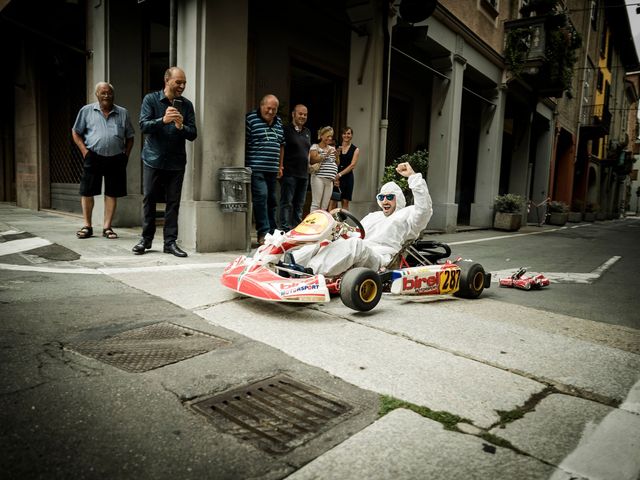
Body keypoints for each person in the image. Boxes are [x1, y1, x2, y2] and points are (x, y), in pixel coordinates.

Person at [295, 162, 432, 277]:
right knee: (325, 239)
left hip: (379, 258)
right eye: (381, 197)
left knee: (356, 245)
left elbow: (424, 210)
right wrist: (340, 230)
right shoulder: (373, 216)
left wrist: (413, 177)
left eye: (390, 197)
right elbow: (358, 233)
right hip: (360, 249)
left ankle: (309, 272)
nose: (385, 200)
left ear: (398, 198)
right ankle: (291, 264)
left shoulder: (407, 214)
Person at [132, 66, 197, 257]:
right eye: (178, 82)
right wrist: (163, 120)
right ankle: (146, 239)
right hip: (153, 159)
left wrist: (180, 125)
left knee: (173, 203)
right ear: (167, 80)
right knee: (149, 199)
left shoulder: (186, 105)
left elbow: (193, 134)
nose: (182, 86)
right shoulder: (151, 99)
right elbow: (144, 126)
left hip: (176, 162)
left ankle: (170, 243)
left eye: (184, 82)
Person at [72, 82, 135, 240]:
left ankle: (107, 227)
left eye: (109, 93)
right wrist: (85, 152)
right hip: (93, 156)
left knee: (112, 193)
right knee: (87, 192)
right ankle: (87, 226)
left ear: (113, 95)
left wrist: (125, 156)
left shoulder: (123, 113)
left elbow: (130, 137)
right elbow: (75, 132)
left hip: (116, 158)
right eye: (103, 93)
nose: (106, 95)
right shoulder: (86, 111)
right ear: (97, 95)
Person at [246, 94, 285, 245]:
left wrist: (280, 165)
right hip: (256, 168)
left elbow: (281, 144)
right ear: (261, 106)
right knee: (261, 198)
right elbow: (244, 142)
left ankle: (272, 232)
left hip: (272, 169)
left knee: (272, 201)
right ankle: (263, 233)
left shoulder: (279, 122)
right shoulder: (251, 119)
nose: (271, 112)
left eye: (274, 109)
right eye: (268, 108)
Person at [279, 104, 311, 231]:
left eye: (305, 114)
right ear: (293, 114)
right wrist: (280, 167)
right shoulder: (285, 129)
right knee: (286, 203)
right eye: (300, 114)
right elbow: (281, 149)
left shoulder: (307, 132)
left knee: (299, 204)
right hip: (289, 173)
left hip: (303, 174)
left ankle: (297, 229)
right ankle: (285, 229)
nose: (303, 116)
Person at [329, 126, 360, 211]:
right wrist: (335, 177)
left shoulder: (355, 149)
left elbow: (352, 165)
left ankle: (343, 223)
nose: (346, 135)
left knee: (345, 202)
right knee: (333, 201)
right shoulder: (336, 147)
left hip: (347, 178)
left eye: (348, 133)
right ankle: (331, 223)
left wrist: (340, 174)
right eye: (344, 133)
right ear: (342, 135)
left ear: (352, 135)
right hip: (335, 178)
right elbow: (332, 162)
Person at [309, 126, 339, 211]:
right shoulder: (315, 147)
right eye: (327, 136)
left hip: (330, 180)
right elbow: (313, 160)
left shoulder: (332, 148)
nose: (330, 138)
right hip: (318, 177)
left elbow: (336, 163)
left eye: (331, 136)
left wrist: (337, 156)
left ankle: (321, 224)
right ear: (321, 136)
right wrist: (325, 154)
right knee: (316, 204)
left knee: (324, 206)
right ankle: (313, 223)